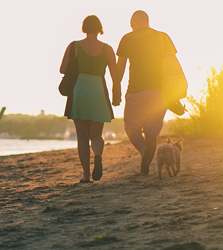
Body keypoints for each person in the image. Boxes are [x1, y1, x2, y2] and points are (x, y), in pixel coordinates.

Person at [113, 10, 178, 175]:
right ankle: (147, 161)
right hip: (160, 92)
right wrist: (174, 93)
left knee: (131, 127)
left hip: (136, 91)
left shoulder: (127, 38)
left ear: (134, 22)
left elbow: (119, 69)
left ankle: (144, 153)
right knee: (151, 131)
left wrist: (116, 90)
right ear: (147, 21)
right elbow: (173, 65)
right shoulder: (162, 37)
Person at [60, 15, 117, 183]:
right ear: (99, 28)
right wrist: (117, 95)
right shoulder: (107, 49)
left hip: (80, 90)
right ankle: (98, 156)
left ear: (84, 28)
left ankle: (86, 175)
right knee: (96, 135)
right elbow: (115, 76)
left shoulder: (74, 46)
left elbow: (62, 69)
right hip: (98, 90)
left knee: (82, 137)